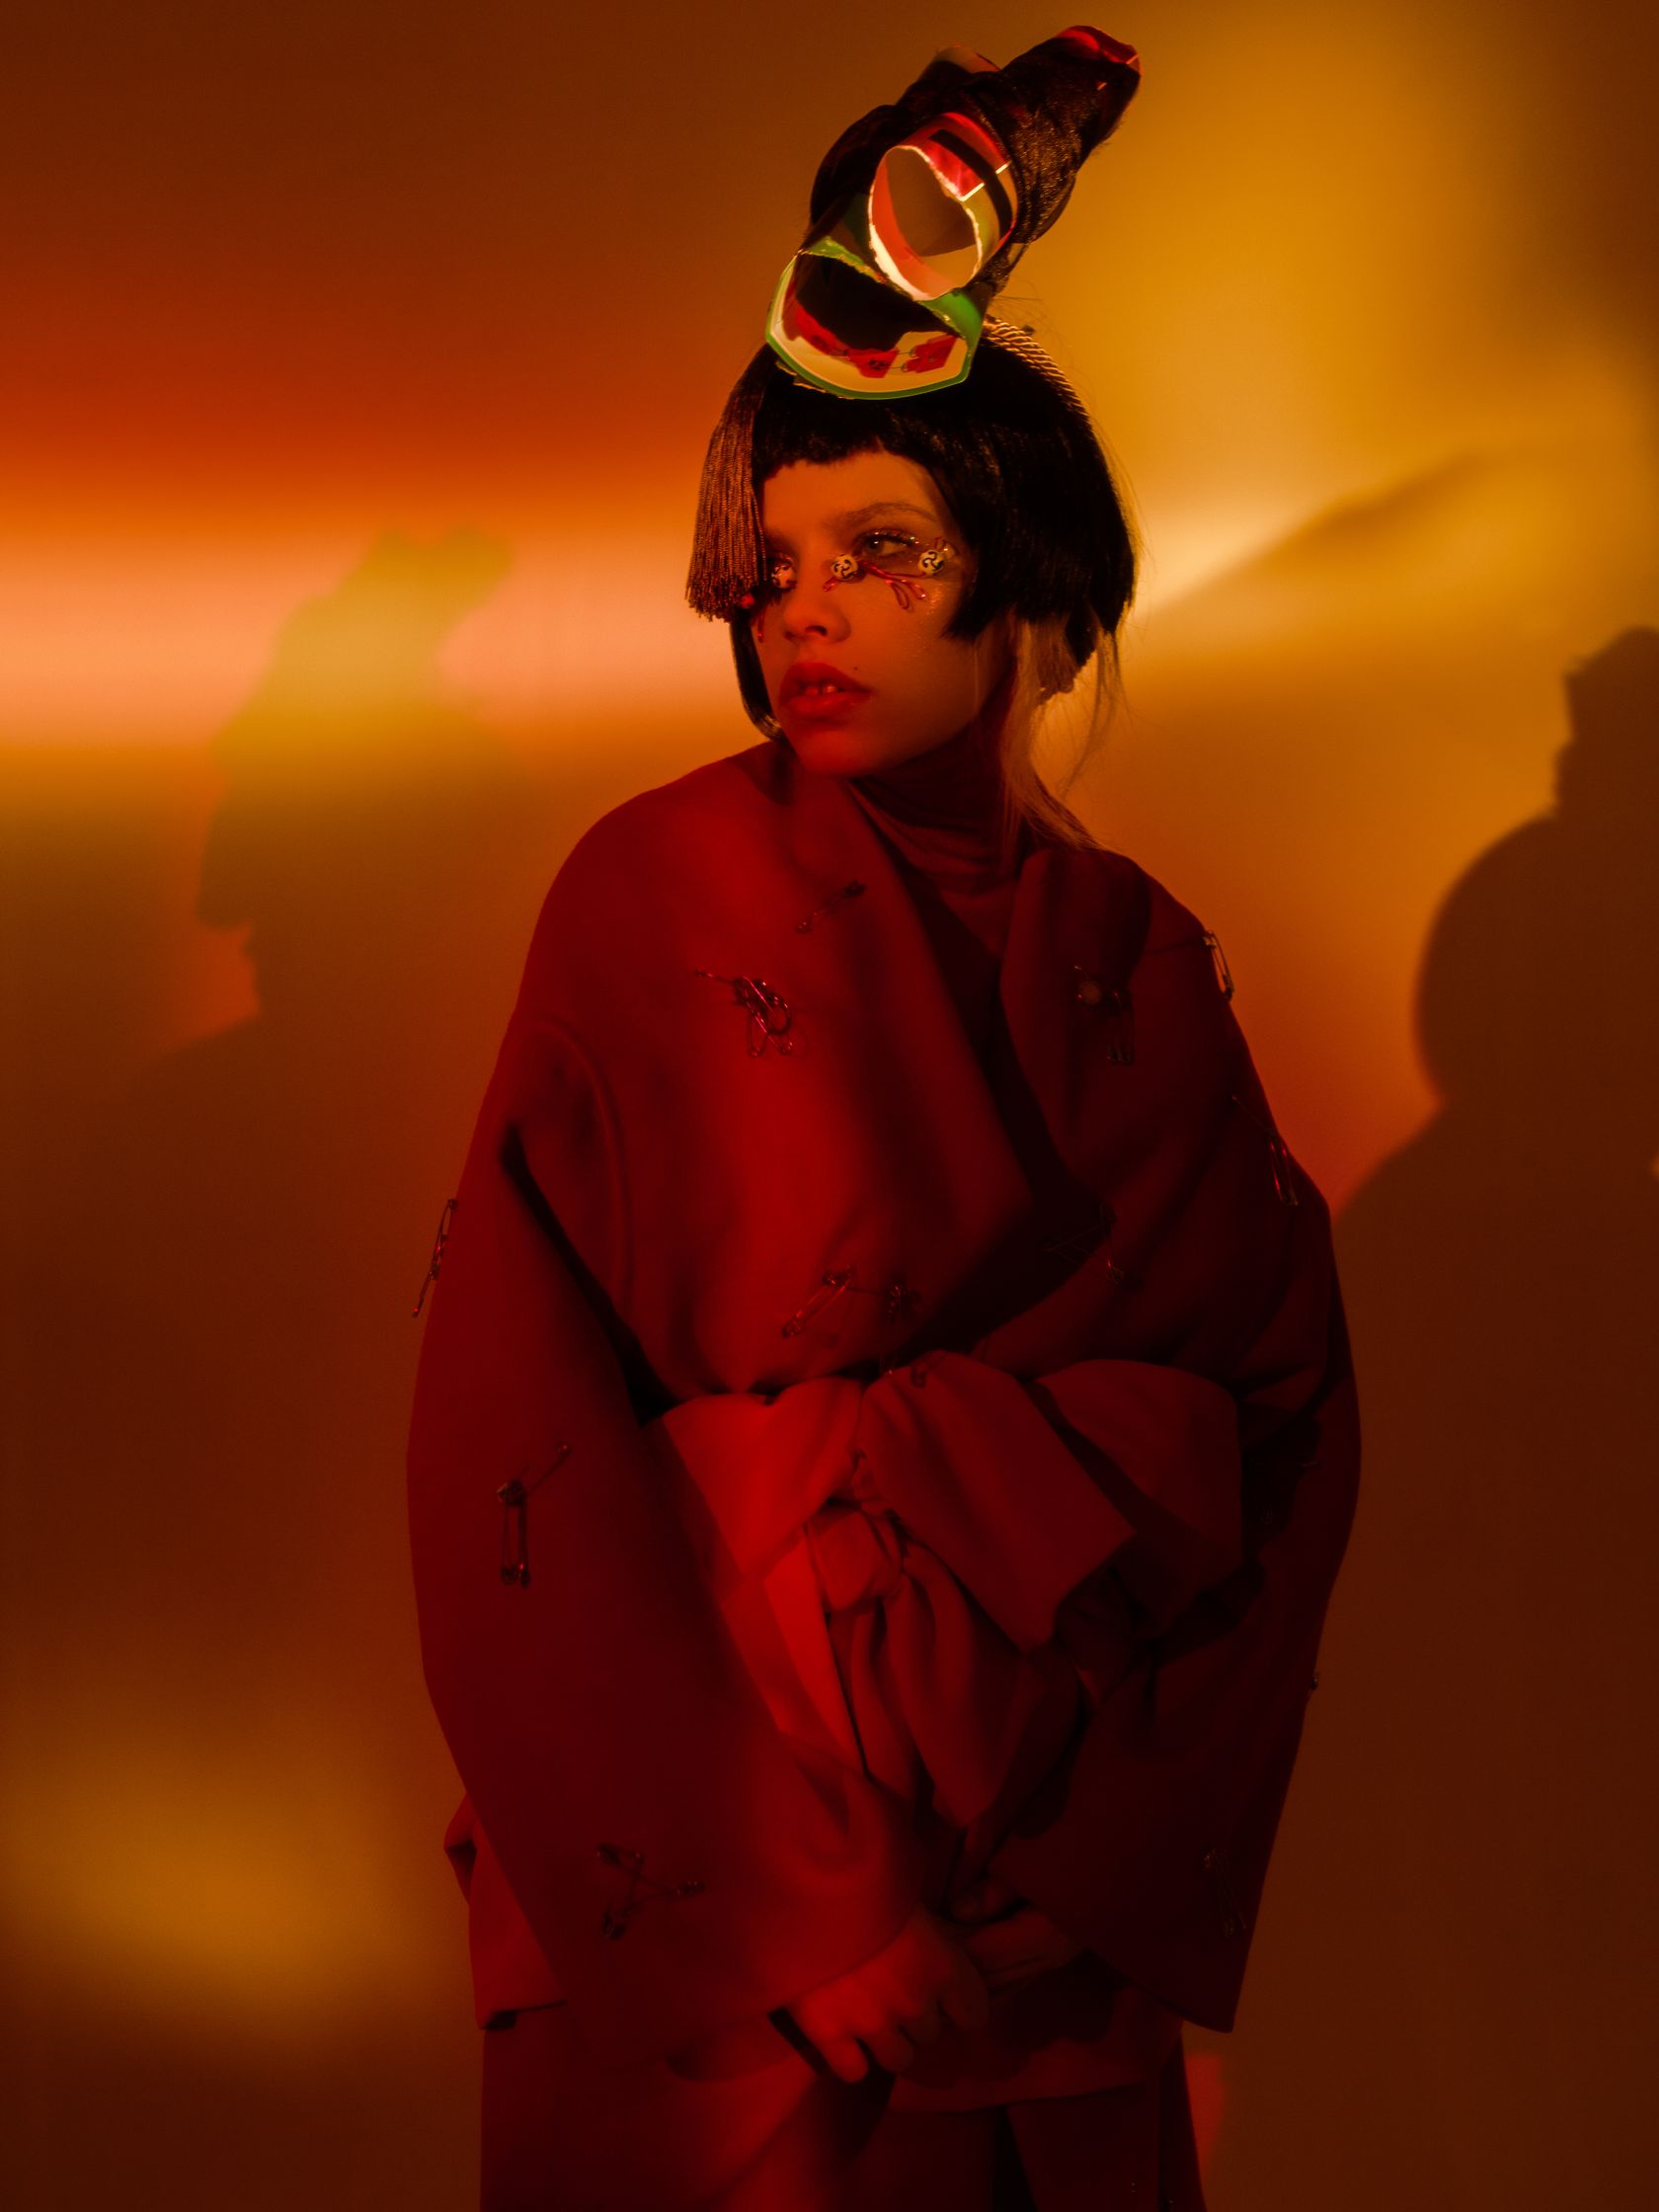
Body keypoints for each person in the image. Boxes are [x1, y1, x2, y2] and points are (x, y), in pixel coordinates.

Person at [407, 28, 1359, 2210]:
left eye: (883, 551)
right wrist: (806, 1907)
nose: (801, 606)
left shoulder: (1143, 954)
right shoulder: (653, 901)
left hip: (1047, 1886)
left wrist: (1086, 1875)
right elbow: (513, 1452)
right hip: (728, 1908)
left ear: (1026, 592)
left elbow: (1281, 1424)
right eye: (778, 562)